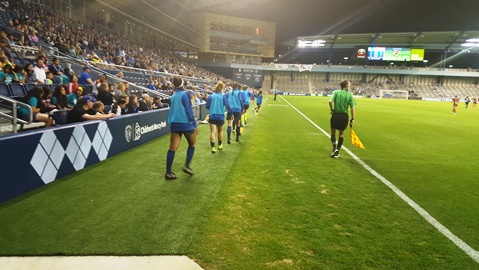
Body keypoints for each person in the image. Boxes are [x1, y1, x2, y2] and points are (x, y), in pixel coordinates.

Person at [165, 76, 197, 180]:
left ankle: (168, 172)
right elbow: (188, 110)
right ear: (182, 83)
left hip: (175, 124)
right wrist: (194, 123)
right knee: (192, 144)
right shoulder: (185, 94)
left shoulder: (173, 96)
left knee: (172, 148)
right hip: (186, 124)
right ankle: (187, 166)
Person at [329, 80, 356, 158]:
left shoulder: (336, 92)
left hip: (335, 115)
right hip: (344, 116)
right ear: (346, 85)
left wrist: (332, 109)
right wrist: (352, 118)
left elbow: (330, 101)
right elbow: (352, 108)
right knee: (341, 134)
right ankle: (337, 150)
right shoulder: (350, 95)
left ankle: (334, 147)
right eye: (349, 84)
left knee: (333, 133)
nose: (350, 85)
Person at [206, 81, 228, 153]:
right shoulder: (223, 97)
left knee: (213, 132)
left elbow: (207, 106)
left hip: (212, 116)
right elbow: (227, 106)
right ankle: (220, 145)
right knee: (220, 131)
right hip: (220, 116)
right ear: (222, 89)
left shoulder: (211, 96)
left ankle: (213, 147)